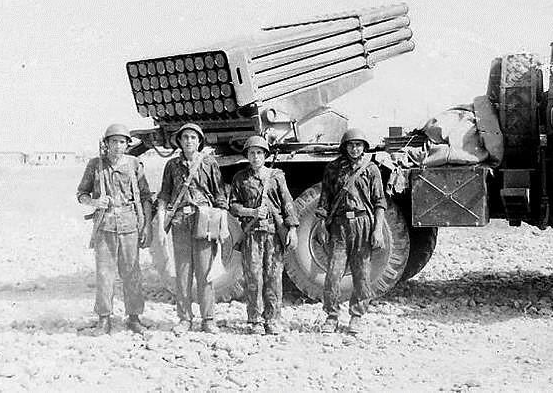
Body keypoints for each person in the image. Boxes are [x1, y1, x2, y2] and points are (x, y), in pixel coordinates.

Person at [77, 123, 152, 335]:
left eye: (121, 142)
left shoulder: (135, 164)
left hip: (130, 224)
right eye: (113, 142)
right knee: (104, 274)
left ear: (127, 144)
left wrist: (146, 224)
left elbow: (145, 196)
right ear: (106, 144)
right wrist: (95, 202)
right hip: (105, 226)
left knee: (132, 273)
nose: (118, 146)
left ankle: (134, 317)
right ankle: (104, 318)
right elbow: (81, 194)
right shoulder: (95, 165)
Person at [156, 123, 228, 334]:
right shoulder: (172, 165)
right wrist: (161, 225)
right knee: (183, 273)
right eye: (185, 137)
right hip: (180, 222)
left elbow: (219, 195)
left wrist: (222, 222)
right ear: (179, 141)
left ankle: (208, 319)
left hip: (204, 222)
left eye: (193, 137)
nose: (189, 141)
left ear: (199, 141)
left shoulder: (209, 163)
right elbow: (164, 195)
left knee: (205, 272)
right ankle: (184, 318)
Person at [315, 128, 387, 334]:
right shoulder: (333, 168)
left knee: (362, 273)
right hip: (339, 226)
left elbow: (379, 202)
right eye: (351, 145)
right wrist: (321, 225)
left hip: (363, 224)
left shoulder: (371, 169)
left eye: (358, 145)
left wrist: (378, 230)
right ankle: (331, 316)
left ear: (364, 147)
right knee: (333, 273)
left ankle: (357, 316)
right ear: (344, 147)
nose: (355, 149)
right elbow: (325, 200)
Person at [229, 136, 299, 335]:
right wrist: (251, 212)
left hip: (273, 234)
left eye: (259, 153)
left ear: (265, 155)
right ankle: (255, 320)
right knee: (253, 277)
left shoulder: (276, 176)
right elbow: (233, 206)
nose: (255, 157)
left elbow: (287, 203)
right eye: (252, 153)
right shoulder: (240, 178)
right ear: (247, 156)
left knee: (274, 277)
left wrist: (292, 229)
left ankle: (273, 318)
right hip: (252, 234)